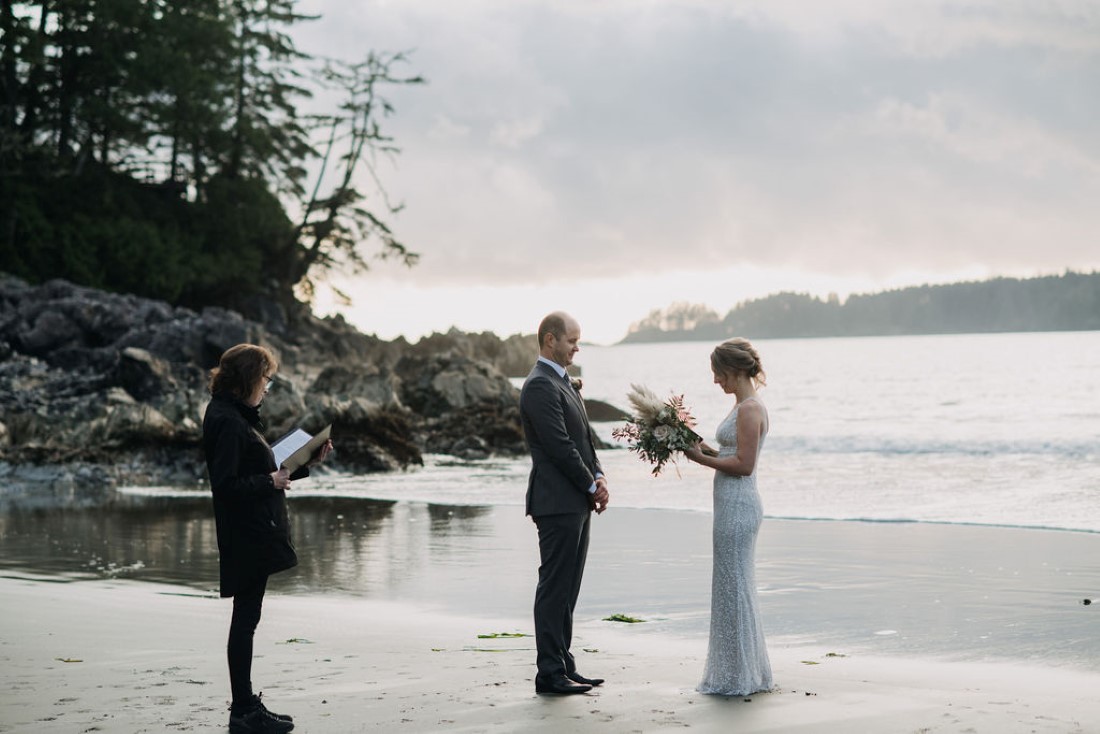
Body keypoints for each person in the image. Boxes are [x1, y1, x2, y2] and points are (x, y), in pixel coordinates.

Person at [202, 344, 332, 733]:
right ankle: (243, 711)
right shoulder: (226, 418)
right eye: (265, 378)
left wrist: (306, 463)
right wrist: (269, 481)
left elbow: (264, 467)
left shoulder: (238, 414)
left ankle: (245, 707)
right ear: (247, 379)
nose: (268, 387)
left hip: (252, 529)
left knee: (247, 618)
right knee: (245, 620)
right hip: (245, 533)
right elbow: (225, 485)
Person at [519, 311, 610, 695]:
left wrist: (600, 475)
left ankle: (565, 665)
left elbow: (585, 438)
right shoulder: (539, 385)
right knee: (554, 586)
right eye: (571, 340)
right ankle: (549, 673)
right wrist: (590, 485)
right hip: (556, 501)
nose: (576, 346)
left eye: (578, 340)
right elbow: (559, 446)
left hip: (576, 500)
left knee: (569, 588)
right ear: (549, 340)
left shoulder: (563, 382)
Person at [683, 337, 774, 696]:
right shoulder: (743, 406)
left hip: (739, 506)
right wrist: (700, 445)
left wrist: (699, 459)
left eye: (718, 374)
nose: (716, 381)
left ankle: (739, 676)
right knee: (731, 586)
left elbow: (744, 464)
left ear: (734, 370)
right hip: (730, 504)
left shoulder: (750, 409)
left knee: (733, 587)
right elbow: (731, 451)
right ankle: (742, 671)